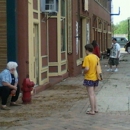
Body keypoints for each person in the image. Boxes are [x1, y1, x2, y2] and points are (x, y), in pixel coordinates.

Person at [82, 44, 100, 115]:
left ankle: (92, 110)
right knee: (93, 94)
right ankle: (96, 108)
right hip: (96, 77)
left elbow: (86, 68)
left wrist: (83, 73)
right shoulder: (96, 57)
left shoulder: (87, 58)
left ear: (86, 50)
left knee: (90, 94)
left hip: (89, 77)